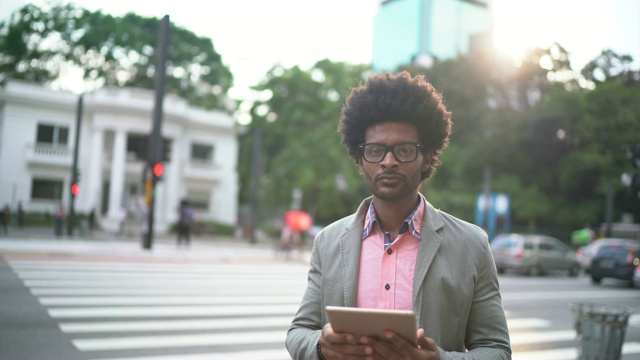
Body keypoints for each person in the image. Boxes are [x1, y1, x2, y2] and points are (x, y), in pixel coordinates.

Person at [286, 71, 511, 359]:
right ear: (360, 158)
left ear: (427, 156)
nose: (388, 161)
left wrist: (439, 359)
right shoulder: (328, 241)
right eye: (375, 150)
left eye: (404, 150)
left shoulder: (472, 244)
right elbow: (299, 331)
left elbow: (497, 351)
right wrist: (321, 345)